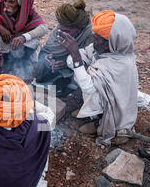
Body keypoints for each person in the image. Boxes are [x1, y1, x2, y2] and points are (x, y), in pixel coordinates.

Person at [58, 10, 138, 145]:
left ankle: (103, 123)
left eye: (96, 38)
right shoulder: (104, 48)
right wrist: (75, 56)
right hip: (105, 98)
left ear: (109, 42)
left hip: (116, 112)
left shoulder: (119, 65)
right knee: (80, 74)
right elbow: (85, 53)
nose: (93, 40)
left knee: (90, 89)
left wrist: (76, 57)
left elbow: (88, 88)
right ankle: (93, 114)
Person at [0, 0, 48, 83]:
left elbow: (43, 27)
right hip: (5, 46)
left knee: (34, 39)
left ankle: (21, 65)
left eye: (11, 2)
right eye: (5, 1)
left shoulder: (27, 10)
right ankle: (2, 67)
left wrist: (23, 37)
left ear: (19, 2)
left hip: (20, 47)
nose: (7, 5)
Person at [35, 0, 93, 97]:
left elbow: (92, 66)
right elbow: (47, 49)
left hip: (80, 71)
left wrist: (67, 63)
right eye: (60, 29)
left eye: (66, 31)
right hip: (62, 70)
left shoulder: (91, 35)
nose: (61, 33)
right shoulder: (60, 29)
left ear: (78, 29)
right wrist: (48, 57)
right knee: (38, 70)